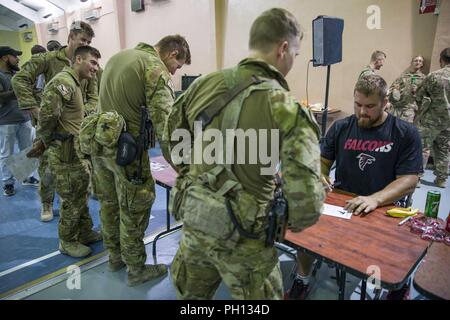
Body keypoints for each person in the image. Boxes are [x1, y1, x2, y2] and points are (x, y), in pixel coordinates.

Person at [166, 8, 324, 300]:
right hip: (247, 240)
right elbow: (306, 205)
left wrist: (199, 174)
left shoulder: (203, 84)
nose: (293, 61)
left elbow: (171, 138)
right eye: (296, 55)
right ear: (284, 48)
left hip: (196, 223)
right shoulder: (286, 106)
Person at [286, 74, 422, 300]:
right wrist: (319, 174)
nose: (362, 112)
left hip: (383, 206)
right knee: (305, 227)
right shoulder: (341, 127)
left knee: (396, 250)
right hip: (342, 200)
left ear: (385, 102)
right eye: (358, 104)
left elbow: (409, 180)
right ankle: (302, 278)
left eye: (370, 106)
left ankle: (395, 287)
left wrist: (375, 199)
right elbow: (322, 161)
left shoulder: (405, 133)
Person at [89, 35, 191, 286]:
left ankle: (115, 257)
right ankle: (136, 269)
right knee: (135, 207)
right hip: (127, 152)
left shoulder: (118, 57)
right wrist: (183, 167)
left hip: (101, 145)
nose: (174, 72)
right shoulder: (154, 68)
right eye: (177, 66)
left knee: (109, 205)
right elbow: (167, 127)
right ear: (172, 53)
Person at [12, 21, 98, 222]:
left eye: (88, 41)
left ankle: (74, 204)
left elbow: (94, 95)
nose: (85, 43)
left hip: (76, 129)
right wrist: (35, 109)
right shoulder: (49, 59)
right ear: (71, 37)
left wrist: (83, 113)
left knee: (77, 170)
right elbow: (19, 79)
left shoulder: (87, 61)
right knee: (47, 169)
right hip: (50, 126)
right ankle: (47, 203)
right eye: (82, 39)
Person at [26, 46, 102, 258]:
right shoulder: (63, 83)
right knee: (71, 197)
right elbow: (47, 117)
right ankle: (67, 241)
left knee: (82, 192)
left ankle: (85, 232)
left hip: (76, 150)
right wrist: (45, 142)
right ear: (78, 59)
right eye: (92, 63)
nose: (95, 68)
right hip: (64, 150)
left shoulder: (76, 82)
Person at [0, 46, 39, 197]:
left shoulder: (17, 73)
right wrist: (19, 90)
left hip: (24, 118)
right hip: (6, 120)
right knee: (6, 154)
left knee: (26, 150)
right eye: (15, 56)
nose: (18, 59)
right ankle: (7, 183)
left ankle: (26, 177)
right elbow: (1, 96)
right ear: (4, 58)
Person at [415, 48, 450, 188]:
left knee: (423, 147)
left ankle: (417, 178)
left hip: (431, 119)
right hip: (448, 121)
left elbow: (419, 95)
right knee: (444, 149)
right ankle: (441, 179)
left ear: (441, 59)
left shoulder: (434, 76)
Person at [388, 55, 426, 123]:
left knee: (404, 129)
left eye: (420, 61)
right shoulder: (403, 76)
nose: (418, 62)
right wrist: (396, 90)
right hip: (398, 107)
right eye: (416, 60)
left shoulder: (424, 78)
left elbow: (426, 95)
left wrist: (417, 91)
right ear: (411, 63)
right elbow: (392, 89)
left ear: (422, 64)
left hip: (410, 109)